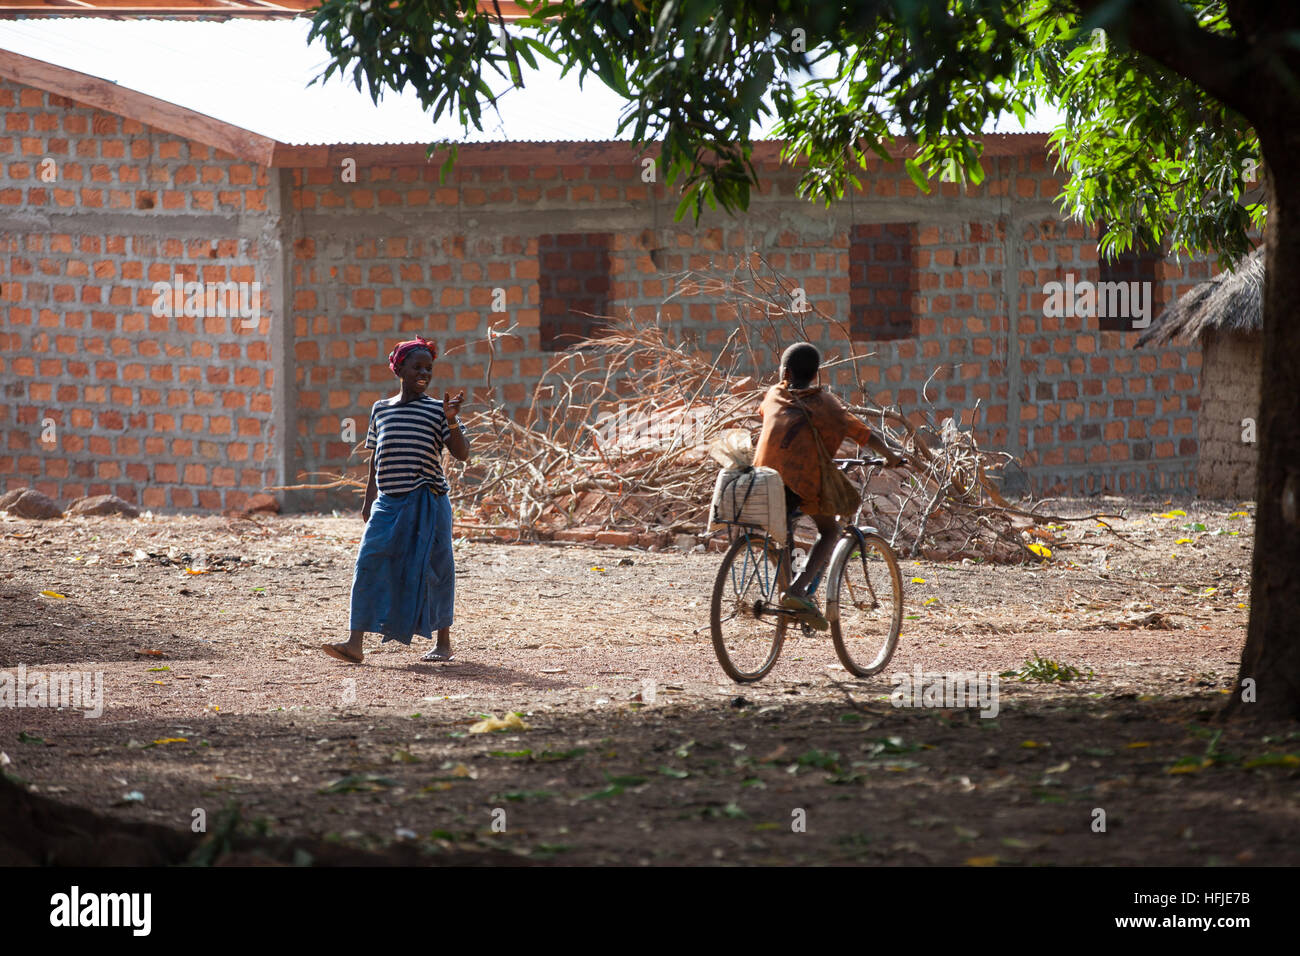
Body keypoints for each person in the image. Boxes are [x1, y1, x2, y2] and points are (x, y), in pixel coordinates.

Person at [323, 335, 470, 664]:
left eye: (429, 369)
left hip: (429, 501)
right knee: (369, 563)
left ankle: (443, 643)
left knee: (436, 568)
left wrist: (451, 420)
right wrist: (368, 499)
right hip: (388, 503)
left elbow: (462, 455)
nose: (424, 374)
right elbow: (375, 459)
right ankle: (355, 642)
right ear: (398, 369)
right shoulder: (381, 409)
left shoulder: (437, 410)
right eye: (417, 367)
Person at [754, 341, 900, 630]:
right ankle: (795, 592)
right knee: (830, 529)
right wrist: (892, 457)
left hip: (762, 480)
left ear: (785, 371)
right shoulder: (828, 405)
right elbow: (864, 435)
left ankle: (785, 584)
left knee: (783, 528)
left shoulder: (773, 395)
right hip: (799, 482)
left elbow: (767, 416)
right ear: (816, 374)